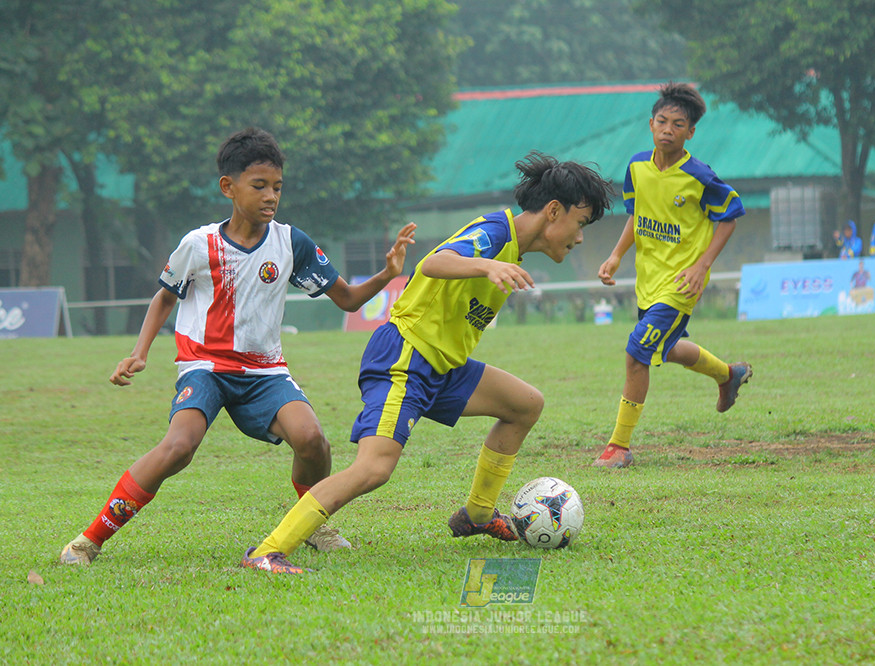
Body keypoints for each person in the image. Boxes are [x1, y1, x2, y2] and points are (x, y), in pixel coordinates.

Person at [239, 151, 615, 574]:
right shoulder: (495, 233)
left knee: (525, 404)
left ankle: (477, 515)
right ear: (552, 211)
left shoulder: (511, 247)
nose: (581, 237)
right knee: (374, 468)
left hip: (442, 368)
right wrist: (487, 265)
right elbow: (433, 263)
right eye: (581, 224)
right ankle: (266, 552)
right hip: (406, 356)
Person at [59, 127, 416, 565]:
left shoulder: (291, 243)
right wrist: (140, 352)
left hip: (265, 373)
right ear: (228, 187)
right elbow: (165, 296)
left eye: (278, 187)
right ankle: (89, 539)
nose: (271, 196)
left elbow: (346, 298)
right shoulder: (199, 244)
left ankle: (313, 524)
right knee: (179, 447)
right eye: (260, 185)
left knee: (314, 441)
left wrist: (386, 274)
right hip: (204, 367)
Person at [593, 82, 751, 470]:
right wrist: (615, 255)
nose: (668, 129)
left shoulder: (699, 175)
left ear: (690, 132)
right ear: (650, 124)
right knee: (669, 347)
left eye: (677, 124)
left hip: (681, 285)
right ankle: (729, 374)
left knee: (637, 353)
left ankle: (619, 446)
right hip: (648, 280)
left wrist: (702, 266)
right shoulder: (636, 167)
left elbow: (730, 215)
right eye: (662, 121)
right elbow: (637, 214)